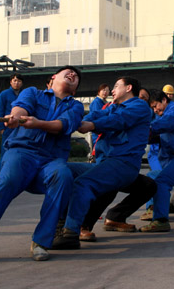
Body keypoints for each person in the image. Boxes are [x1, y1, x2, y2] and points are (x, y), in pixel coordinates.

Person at [0, 66, 84, 265]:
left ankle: (41, 242)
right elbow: (20, 107)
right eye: (68, 72)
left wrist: (37, 123)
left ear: (75, 89)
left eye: (76, 76)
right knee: (5, 183)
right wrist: (15, 117)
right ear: (53, 77)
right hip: (22, 152)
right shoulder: (33, 93)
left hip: (51, 159)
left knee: (63, 176)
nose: (72, 74)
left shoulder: (76, 106)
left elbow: (63, 125)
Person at [51, 77, 153, 249]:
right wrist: (72, 121)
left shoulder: (139, 106)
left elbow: (119, 120)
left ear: (128, 88)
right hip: (104, 162)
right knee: (62, 170)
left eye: (116, 86)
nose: (112, 90)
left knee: (84, 183)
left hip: (123, 164)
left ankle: (71, 233)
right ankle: (59, 224)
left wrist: (92, 125)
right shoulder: (113, 107)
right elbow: (96, 114)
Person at [139, 89, 174, 231]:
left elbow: (166, 124)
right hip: (171, 162)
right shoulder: (161, 116)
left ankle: (161, 220)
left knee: (161, 181)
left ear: (164, 100)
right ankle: (152, 208)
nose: (155, 110)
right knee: (151, 177)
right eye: (152, 108)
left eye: (156, 106)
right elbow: (156, 135)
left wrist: (146, 129)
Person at [0, 73, 23, 160]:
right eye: (15, 80)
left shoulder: (24, 94)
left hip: (21, 128)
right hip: (8, 128)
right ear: (10, 82)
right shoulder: (4, 94)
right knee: (6, 152)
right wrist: (1, 128)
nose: (16, 83)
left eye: (19, 81)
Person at [89, 83, 110, 151]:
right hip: (98, 132)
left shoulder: (105, 103)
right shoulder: (96, 102)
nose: (105, 92)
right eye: (103, 90)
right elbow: (97, 116)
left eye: (107, 90)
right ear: (99, 91)